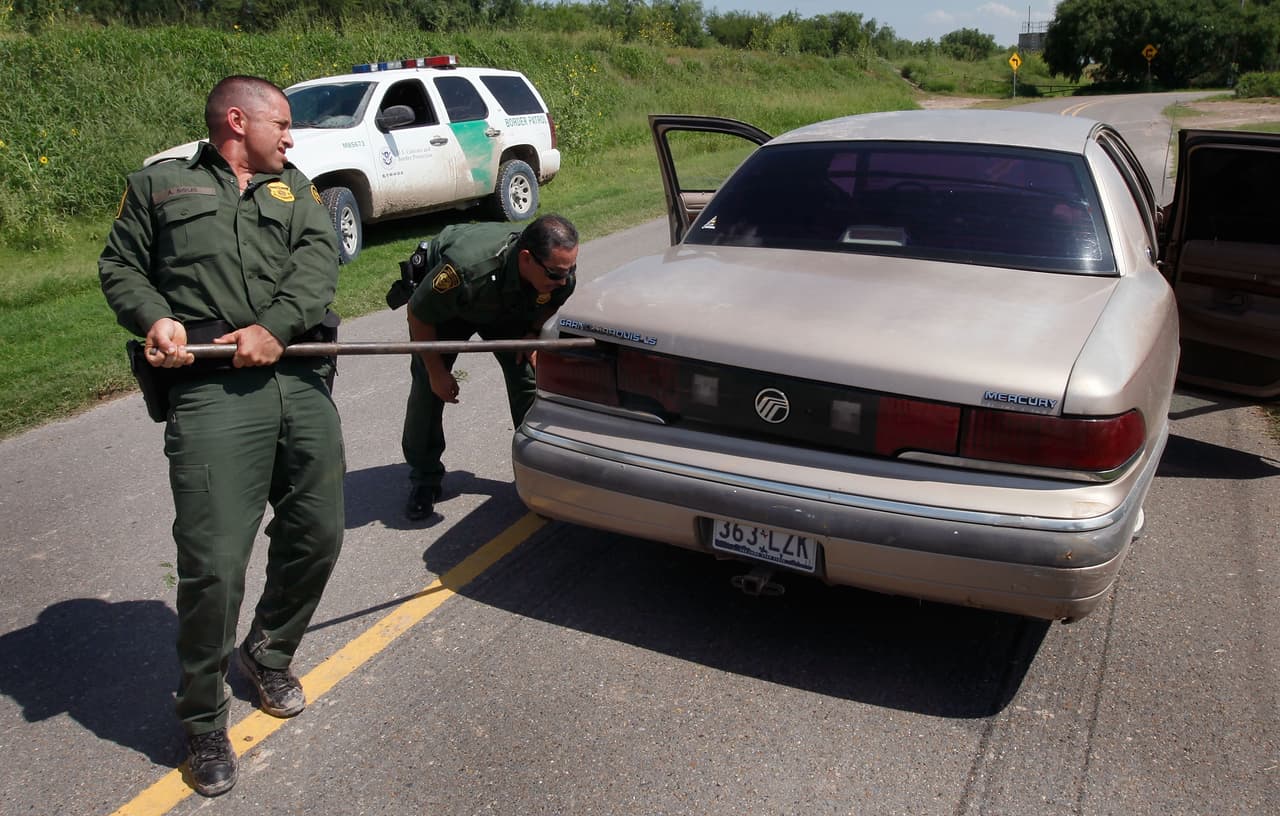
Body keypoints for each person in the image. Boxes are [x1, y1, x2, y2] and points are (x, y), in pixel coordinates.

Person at [98, 75, 345, 797]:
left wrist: (277, 328)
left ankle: (267, 652)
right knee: (214, 561)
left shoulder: (295, 188)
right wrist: (154, 319)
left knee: (320, 532)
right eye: (284, 124)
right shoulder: (157, 186)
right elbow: (119, 266)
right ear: (238, 121)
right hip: (209, 390)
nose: (292, 138)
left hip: (296, 375)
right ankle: (204, 718)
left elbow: (319, 262)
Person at [400, 215, 579, 520]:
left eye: (569, 270)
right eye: (556, 273)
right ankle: (424, 479)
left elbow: (555, 298)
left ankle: (538, 474)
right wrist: (436, 372)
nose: (563, 280)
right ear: (526, 259)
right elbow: (419, 313)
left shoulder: (559, 272)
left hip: (507, 310)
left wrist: (534, 332)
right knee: (429, 390)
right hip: (452, 307)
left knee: (529, 378)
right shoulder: (463, 269)